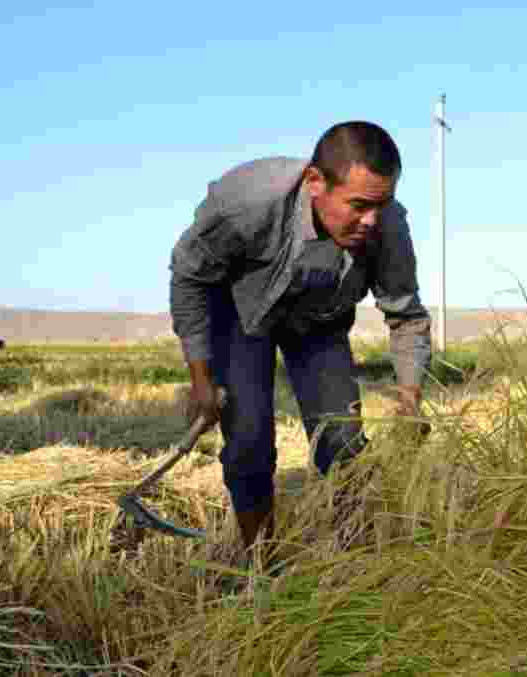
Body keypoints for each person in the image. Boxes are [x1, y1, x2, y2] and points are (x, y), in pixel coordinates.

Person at [168, 121, 432, 560]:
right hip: (240, 317)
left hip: (319, 323)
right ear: (315, 182)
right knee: (249, 444)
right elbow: (189, 276)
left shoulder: (387, 225)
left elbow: (405, 315)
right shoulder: (247, 202)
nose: (371, 221)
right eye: (359, 205)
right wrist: (201, 378)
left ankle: (355, 565)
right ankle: (260, 565)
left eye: (381, 205)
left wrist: (410, 399)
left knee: (342, 445)